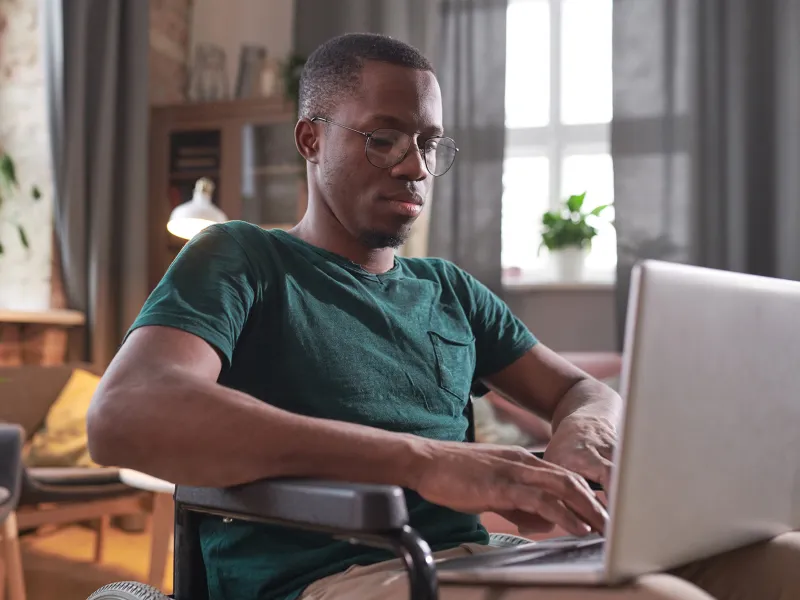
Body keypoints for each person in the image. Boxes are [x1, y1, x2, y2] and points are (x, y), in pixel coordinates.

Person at [86, 33, 799, 600]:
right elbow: (125, 413)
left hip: (464, 559)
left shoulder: (450, 290)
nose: (415, 167)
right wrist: (426, 462)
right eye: (385, 138)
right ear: (310, 140)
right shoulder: (242, 258)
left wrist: (584, 430)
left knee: (783, 562)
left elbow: (584, 390)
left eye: (429, 143)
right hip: (331, 576)